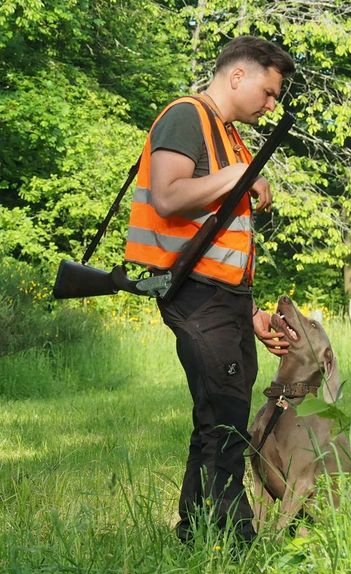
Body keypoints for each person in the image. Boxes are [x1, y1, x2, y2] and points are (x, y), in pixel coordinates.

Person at [124, 36, 295, 544]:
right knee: (224, 417)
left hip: (224, 298)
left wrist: (251, 312)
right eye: (268, 92)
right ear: (237, 75)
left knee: (222, 415)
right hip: (196, 295)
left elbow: (216, 238)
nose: (271, 105)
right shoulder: (186, 116)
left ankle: (197, 531)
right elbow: (168, 196)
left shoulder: (230, 137)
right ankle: (230, 538)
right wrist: (239, 175)